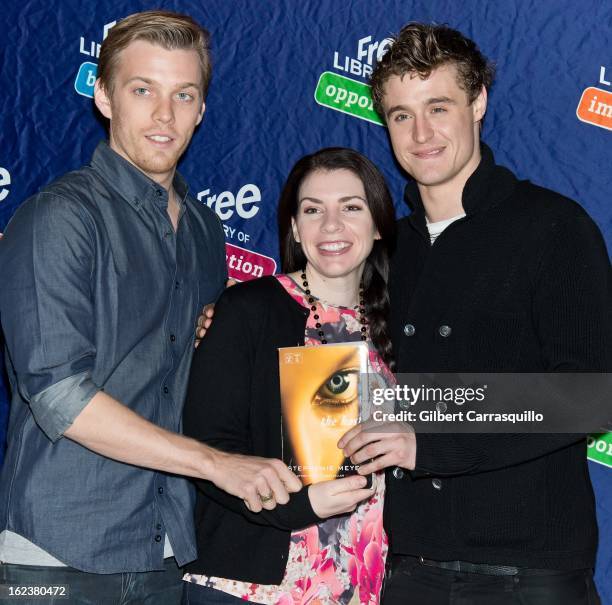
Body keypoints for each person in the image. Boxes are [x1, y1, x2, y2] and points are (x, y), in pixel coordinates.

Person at [0, 10, 300, 604]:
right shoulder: (60, 217)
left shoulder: (204, 232)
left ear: (202, 110)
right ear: (105, 96)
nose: (164, 115)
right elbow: (60, 395)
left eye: (183, 95)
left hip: (165, 548)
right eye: (143, 90)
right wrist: (216, 464)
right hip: (62, 552)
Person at [338, 23, 611, 604]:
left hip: (529, 575)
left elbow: (589, 394)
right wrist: (226, 317)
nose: (421, 134)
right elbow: (318, 329)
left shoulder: (553, 227)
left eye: (439, 107)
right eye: (401, 115)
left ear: (479, 102)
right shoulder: (385, 248)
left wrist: (428, 443)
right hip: (409, 567)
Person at [181, 148, 397, 604]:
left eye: (351, 207)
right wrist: (301, 506)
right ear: (296, 229)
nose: (331, 225)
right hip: (251, 586)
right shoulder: (248, 310)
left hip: (358, 586)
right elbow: (206, 448)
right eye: (313, 210)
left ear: (378, 224)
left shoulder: (402, 323)